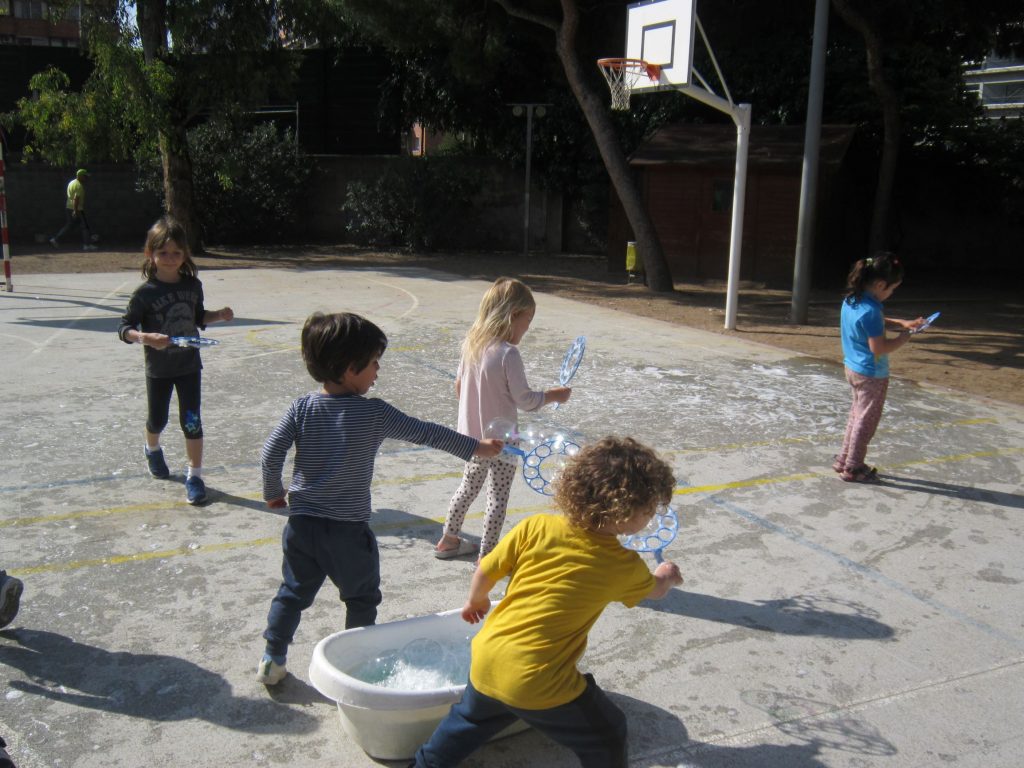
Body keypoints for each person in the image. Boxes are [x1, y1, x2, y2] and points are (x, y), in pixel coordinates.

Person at [256, 311, 504, 686]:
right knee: (361, 599)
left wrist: (274, 493)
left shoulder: (301, 408)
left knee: (292, 593)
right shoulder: (374, 413)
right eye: (373, 362)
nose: (377, 371)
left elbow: (270, 454)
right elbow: (427, 433)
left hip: (302, 528)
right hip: (348, 534)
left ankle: (272, 658)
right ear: (349, 368)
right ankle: (357, 664)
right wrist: (476, 447)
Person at [412, 436, 683, 768]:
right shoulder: (621, 565)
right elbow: (655, 590)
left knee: (469, 723)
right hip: (537, 679)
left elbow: (486, 568)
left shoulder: (536, 525)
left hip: (487, 656)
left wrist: (476, 601)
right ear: (624, 511)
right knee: (608, 732)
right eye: (648, 509)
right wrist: (667, 575)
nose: (650, 515)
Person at [434, 278, 571, 561]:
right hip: (503, 442)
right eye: (527, 320)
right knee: (497, 497)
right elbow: (526, 400)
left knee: (467, 488)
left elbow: (459, 387)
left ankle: (448, 539)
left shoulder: (471, 346)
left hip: (472, 440)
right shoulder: (509, 354)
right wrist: (554, 395)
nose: (528, 327)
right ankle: (488, 556)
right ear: (513, 315)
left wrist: (475, 409)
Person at [116, 216, 234, 505]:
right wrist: (145, 338)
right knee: (157, 420)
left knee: (191, 421)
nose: (170, 258)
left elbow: (198, 317)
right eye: (163, 252)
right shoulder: (145, 294)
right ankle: (152, 448)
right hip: (159, 370)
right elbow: (124, 328)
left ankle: (195, 476)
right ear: (150, 254)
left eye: (176, 252)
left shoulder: (193, 285)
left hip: (189, 367)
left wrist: (219, 315)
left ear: (185, 254)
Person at [833, 252, 923, 483]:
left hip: (853, 369)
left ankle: (843, 459)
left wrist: (901, 322)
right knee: (866, 422)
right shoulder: (872, 311)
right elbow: (879, 348)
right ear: (881, 284)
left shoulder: (852, 300)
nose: (891, 293)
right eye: (892, 289)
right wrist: (904, 337)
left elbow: (873, 320)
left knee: (856, 416)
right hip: (872, 375)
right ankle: (853, 467)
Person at [49, 169, 97, 252]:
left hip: (69, 207)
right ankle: (87, 245)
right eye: (85, 176)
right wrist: (75, 210)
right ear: (81, 176)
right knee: (85, 226)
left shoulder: (71, 183)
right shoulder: (79, 186)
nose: (86, 178)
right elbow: (76, 199)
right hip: (77, 208)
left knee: (70, 225)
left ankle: (55, 239)